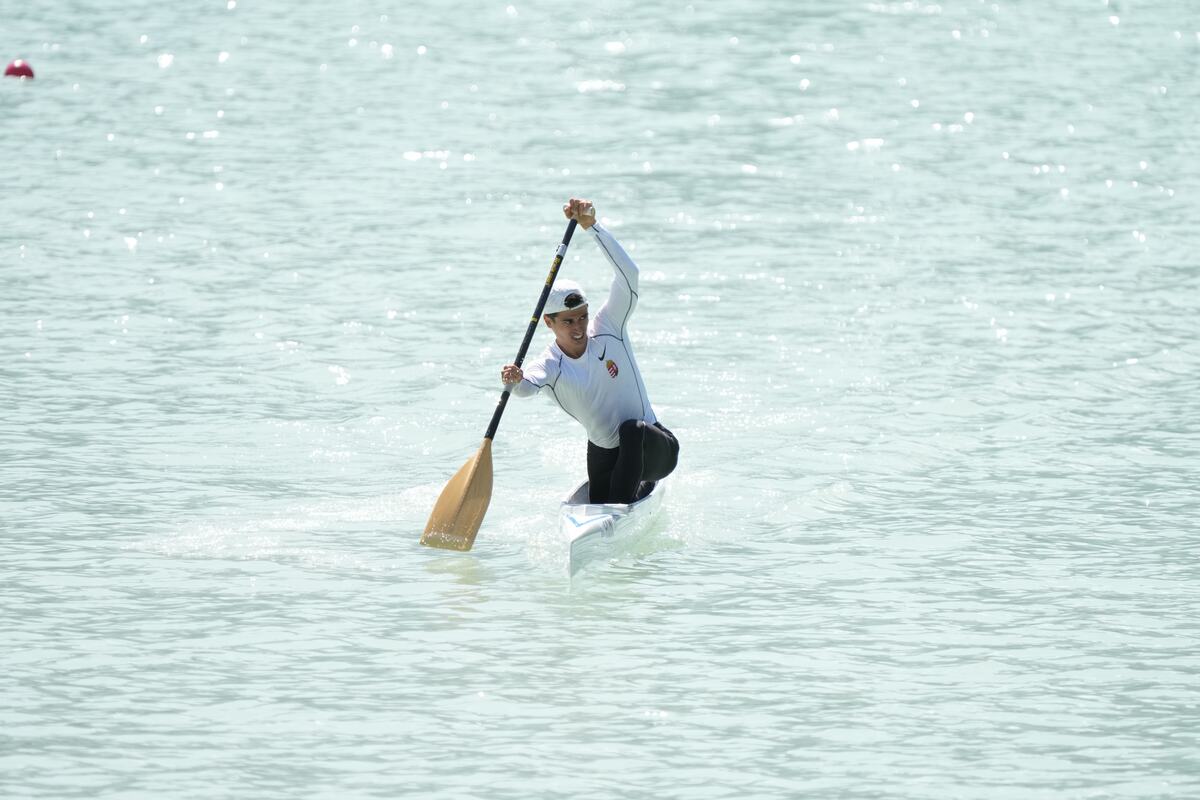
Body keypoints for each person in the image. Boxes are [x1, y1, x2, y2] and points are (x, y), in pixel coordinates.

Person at [501, 198, 679, 504]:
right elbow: (526, 387)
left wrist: (593, 228)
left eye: (583, 316)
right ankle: (613, 506)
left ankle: (623, 504)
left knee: (632, 430)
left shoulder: (610, 327)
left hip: (655, 448)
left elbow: (629, 276)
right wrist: (513, 381)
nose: (579, 327)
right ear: (549, 322)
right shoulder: (550, 365)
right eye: (568, 321)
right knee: (603, 460)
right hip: (605, 452)